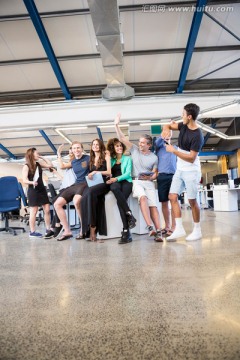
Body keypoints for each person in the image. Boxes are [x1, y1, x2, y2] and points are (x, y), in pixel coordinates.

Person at [114, 113, 163, 242]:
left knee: (154, 206)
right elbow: (122, 138)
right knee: (142, 198)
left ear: (149, 145)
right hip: (137, 182)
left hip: (149, 183)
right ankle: (149, 226)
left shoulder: (154, 157)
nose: (140, 144)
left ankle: (158, 232)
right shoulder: (134, 150)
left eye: (143, 143)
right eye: (140, 142)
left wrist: (152, 177)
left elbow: (155, 173)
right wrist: (116, 125)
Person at [161, 103, 204, 241]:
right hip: (180, 169)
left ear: (189, 117)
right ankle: (179, 229)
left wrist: (174, 151)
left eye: (183, 114)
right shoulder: (183, 125)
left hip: (191, 171)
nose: (181, 116)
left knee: (192, 201)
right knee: (172, 196)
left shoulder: (198, 135)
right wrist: (166, 128)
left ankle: (197, 230)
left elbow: (191, 158)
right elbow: (168, 125)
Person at [54, 141, 90, 241]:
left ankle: (83, 229)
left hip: (85, 183)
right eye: (74, 148)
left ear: (82, 149)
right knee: (57, 204)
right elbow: (62, 166)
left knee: (76, 201)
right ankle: (67, 231)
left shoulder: (88, 158)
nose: (76, 150)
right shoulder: (73, 162)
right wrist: (58, 154)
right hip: (75, 184)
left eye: (78, 148)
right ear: (72, 150)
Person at [106, 138, 136, 244]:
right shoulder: (111, 160)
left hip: (126, 181)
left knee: (120, 202)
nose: (119, 147)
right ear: (113, 148)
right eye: (117, 146)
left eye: (120, 146)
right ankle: (129, 214)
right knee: (113, 188)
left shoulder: (127, 158)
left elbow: (128, 173)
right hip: (116, 183)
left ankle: (126, 231)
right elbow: (108, 171)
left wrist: (116, 178)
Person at [80, 139, 111, 242]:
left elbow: (109, 172)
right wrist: (89, 175)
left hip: (103, 183)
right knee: (84, 197)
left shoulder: (106, 156)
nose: (95, 146)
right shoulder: (91, 159)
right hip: (93, 184)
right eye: (93, 144)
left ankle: (93, 229)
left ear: (101, 146)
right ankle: (88, 229)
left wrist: (95, 172)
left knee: (90, 193)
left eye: (97, 144)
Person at [44, 145, 76, 239]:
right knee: (55, 201)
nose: (71, 153)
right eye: (70, 152)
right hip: (65, 187)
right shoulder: (69, 164)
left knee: (55, 202)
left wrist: (58, 154)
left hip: (70, 188)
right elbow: (64, 179)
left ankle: (57, 225)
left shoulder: (75, 163)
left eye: (72, 151)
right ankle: (56, 225)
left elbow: (62, 166)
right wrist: (55, 173)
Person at [22, 147, 53, 238]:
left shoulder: (38, 164)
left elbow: (50, 165)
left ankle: (48, 229)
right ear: (31, 155)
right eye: (37, 153)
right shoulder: (26, 166)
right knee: (34, 211)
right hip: (33, 190)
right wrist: (32, 182)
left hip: (42, 189)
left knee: (47, 209)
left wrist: (43, 158)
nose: (38, 154)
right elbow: (24, 180)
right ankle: (32, 232)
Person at [155, 132, 177, 236]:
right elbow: (156, 143)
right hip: (162, 177)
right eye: (166, 133)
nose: (168, 134)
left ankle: (174, 226)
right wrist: (163, 135)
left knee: (174, 202)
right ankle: (167, 226)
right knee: (164, 202)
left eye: (170, 133)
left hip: (174, 176)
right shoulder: (159, 147)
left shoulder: (175, 147)